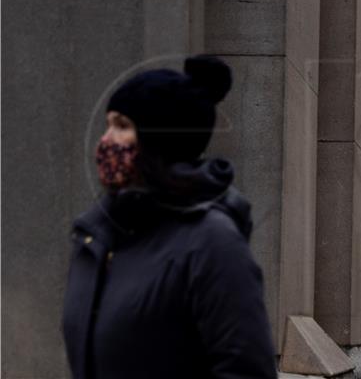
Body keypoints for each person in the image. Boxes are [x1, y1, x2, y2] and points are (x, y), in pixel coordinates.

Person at [62, 56, 278, 379]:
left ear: (158, 141)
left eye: (122, 126)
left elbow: (246, 370)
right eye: (107, 125)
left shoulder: (212, 241)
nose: (105, 140)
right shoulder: (97, 236)